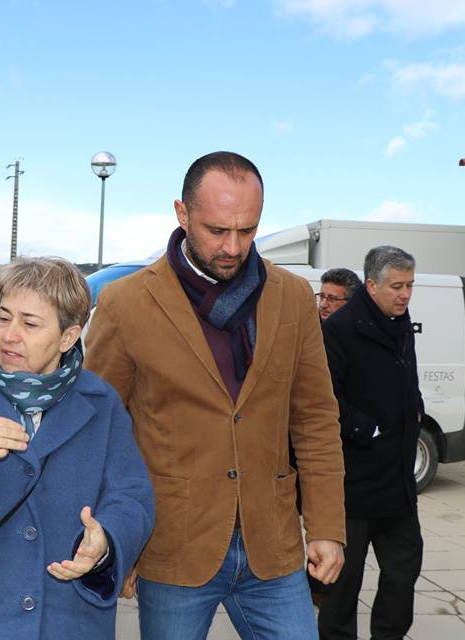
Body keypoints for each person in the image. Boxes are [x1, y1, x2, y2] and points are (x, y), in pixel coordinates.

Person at [85, 151, 346, 640]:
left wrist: (328, 526)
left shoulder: (291, 296)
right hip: (173, 546)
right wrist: (118, 538)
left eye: (248, 230)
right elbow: (100, 428)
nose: (233, 247)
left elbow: (314, 418)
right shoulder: (127, 303)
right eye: (217, 230)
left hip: (273, 543)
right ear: (182, 215)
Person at [0, 256, 155, 640]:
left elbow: (132, 497)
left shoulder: (101, 404)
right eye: (4, 317)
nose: (8, 335)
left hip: (67, 621)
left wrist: (105, 543)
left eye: (29, 323)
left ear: (68, 337)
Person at [317, 246, 424, 640]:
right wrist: (368, 429)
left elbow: (406, 378)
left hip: (397, 482)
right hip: (353, 485)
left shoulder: (400, 321)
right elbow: (323, 399)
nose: (405, 294)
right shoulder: (340, 329)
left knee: (403, 571)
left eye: (410, 285)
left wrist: (416, 406)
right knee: (341, 587)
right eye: (397, 286)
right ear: (372, 284)